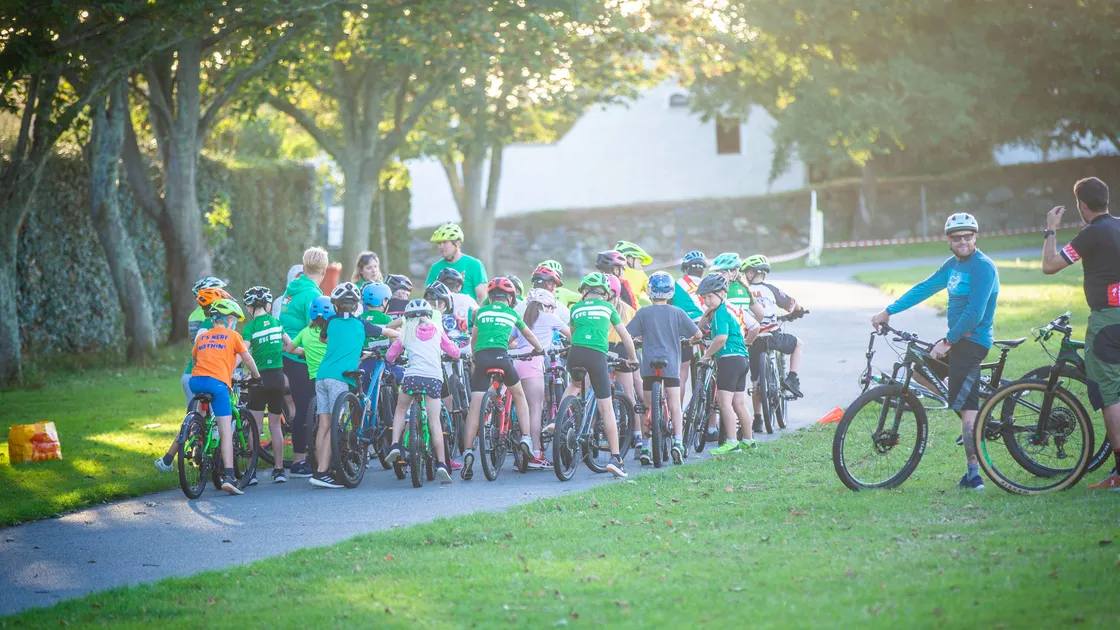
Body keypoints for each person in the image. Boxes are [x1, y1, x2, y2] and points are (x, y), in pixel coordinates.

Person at [871, 212, 999, 491]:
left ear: (975, 237)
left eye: (968, 236)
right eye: (957, 237)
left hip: (972, 341)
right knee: (919, 370)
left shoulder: (983, 267)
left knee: (967, 407)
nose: (963, 241)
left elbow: (975, 313)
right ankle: (966, 409)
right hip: (957, 339)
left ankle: (974, 475)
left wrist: (949, 341)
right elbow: (925, 288)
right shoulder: (953, 265)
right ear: (948, 241)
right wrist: (888, 311)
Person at [1041, 177, 1120, 490]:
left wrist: (1051, 228)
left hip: (1107, 324)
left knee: (1110, 394)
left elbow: (1049, 265)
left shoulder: (1090, 234)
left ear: (1082, 205)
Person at [459, 277, 545, 480]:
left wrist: (474, 358)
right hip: (502, 358)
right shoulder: (512, 313)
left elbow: (474, 338)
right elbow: (529, 336)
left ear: (490, 296)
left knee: (475, 407)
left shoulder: (479, 312)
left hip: (482, 359)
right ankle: (525, 438)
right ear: (510, 297)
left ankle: (468, 451)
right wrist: (540, 350)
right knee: (519, 396)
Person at [310, 282, 393, 489]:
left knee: (324, 424)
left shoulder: (330, 323)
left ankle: (321, 469)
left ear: (336, 306)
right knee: (335, 427)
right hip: (339, 378)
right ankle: (322, 472)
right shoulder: (361, 324)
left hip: (322, 376)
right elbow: (388, 333)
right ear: (356, 305)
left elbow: (324, 339)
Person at [564, 272, 640, 477]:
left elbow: (572, 334)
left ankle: (559, 420)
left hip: (575, 353)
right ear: (606, 293)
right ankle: (617, 459)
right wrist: (632, 359)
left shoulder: (576, 308)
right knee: (606, 407)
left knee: (574, 385)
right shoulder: (608, 307)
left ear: (584, 291)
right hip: (596, 356)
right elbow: (625, 336)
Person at [626, 271, 702, 465]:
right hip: (671, 364)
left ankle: (644, 446)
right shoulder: (677, 312)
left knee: (646, 406)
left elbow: (628, 334)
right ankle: (678, 442)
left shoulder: (643, 313)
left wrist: (638, 341)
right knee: (675, 405)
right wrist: (688, 341)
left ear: (650, 292)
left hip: (649, 365)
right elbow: (698, 334)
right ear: (671, 292)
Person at [188, 298, 262, 495]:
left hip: (195, 381)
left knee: (204, 411)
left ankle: (197, 434)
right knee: (226, 430)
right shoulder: (233, 335)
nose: (235, 323)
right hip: (218, 384)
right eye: (234, 319)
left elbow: (195, 357)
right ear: (229, 319)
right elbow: (247, 358)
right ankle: (229, 476)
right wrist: (256, 376)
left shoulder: (203, 337)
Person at [384, 299, 462, 483]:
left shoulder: (406, 332)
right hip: (434, 379)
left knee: (401, 410)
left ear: (408, 317)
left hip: (412, 377)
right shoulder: (437, 329)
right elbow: (455, 353)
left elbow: (390, 356)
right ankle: (442, 464)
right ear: (428, 314)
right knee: (434, 421)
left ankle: (395, 444)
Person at [157, 285, 231, 473]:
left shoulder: (205, 326)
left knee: (196, 420)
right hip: (202, 375)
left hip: (193, 375)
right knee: (205, 421)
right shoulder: (211, 327)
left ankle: (168, 459)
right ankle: (212, 461)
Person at [741, 254, 807, 432]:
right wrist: (798, 312)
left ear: (750, 273)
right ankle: (792, 378)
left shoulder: (742, 290)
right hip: (772, 336)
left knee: (755, 381)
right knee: (798, 344)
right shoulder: (770, 289)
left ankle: (758, 420)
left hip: (753, 338)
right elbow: (794, 306)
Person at [278, 247, 327, 478]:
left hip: (287, 353)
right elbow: (316, 331)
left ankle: (304, 456)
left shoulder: (293, 288)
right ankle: (300, 461)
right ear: (324, 270)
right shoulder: (312, 296)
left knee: (302, 406)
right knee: (307, 407)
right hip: (300, 356)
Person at [697, 274, 758, 455]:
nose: (707, 301)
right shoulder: (730, 309)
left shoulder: (721, 313)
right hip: (742, 359)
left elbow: (721, 338)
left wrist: (707, 355)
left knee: (724, 403)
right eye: (704, 297)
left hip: (728, 360)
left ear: (723, 293)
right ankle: (748, 440)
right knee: (739, 403)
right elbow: (754, 326)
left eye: (710, 296)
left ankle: (732, 442)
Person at [240, 286, 294, 484]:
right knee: (275, 426)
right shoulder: (277, 323)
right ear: (268, 305)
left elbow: (244, 354)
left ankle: (251, 472)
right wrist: (306, 352)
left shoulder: (250, 328)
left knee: (255, 427)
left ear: (249, 307)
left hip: (258, 380)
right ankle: (279, 471)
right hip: (277, 379)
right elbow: (289, 346)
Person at [512, 288, 571, 469]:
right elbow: (571, 335)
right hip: (534, 362)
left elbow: (509, 341)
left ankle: (520, 453)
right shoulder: (549, 317)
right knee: (535, 409)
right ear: (547, 305)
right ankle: (536, 454)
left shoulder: (522, 319)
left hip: (516, 362)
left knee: (521, 408)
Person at [605, 273, 645, 462]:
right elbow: (635, 334)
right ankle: (637, 433)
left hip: (603, 348)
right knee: (629, 393)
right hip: (622, 348)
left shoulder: (601, 308)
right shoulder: (628, 310)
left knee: (594, 392)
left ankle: (590, 429)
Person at [672, 250, 708, 402]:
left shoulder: (676, 284)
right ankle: (711, 422)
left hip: (684, 328)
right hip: (706, 326)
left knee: (682, 372)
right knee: (708, 371)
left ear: (685, 269)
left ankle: (676, 414)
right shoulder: (709, 283)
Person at [427, 223, 489, 303]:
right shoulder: (435, 268)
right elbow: (428, 298)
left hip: (468, 314)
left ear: (457, 243)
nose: (441, 246)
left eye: (445, 242)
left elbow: (482, 297)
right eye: (439, 243)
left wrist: (476, 315)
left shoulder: (475, 265)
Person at [359, 282, 395, 391]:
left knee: (365, 390)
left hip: (364, 360)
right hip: (382, 361)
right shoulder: (387, 319)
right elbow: (393, 341)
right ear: (384, 301)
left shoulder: (360, 317)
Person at [710, 252, 766, 323]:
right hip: (741, 332)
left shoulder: (720, 289)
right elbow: (760, 314)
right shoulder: (745, 288)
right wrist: (747, 329)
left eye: (723, 272)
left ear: (734, 272)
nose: (719, 275)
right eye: (717, 272)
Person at [615, 240, 653, 306]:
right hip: (634, 312)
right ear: (629, 259)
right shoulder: (640, 274)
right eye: (639, 262)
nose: (641, 267)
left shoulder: (611, 272)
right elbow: (654, 293)